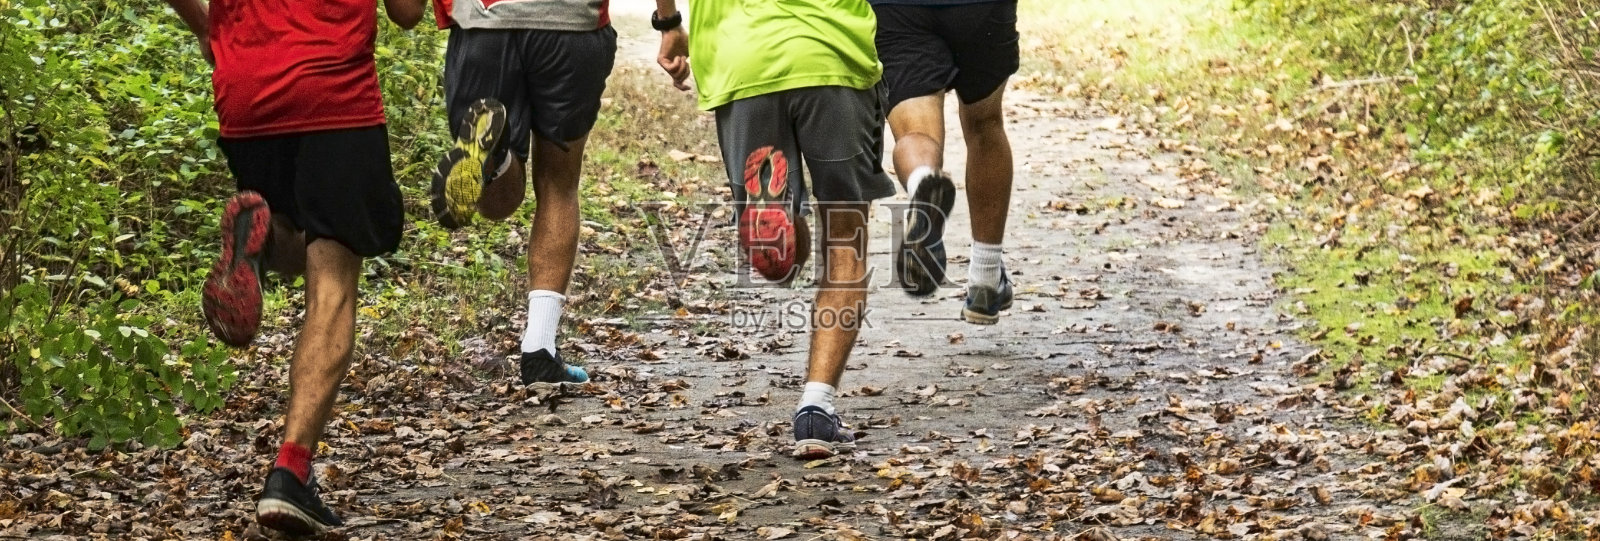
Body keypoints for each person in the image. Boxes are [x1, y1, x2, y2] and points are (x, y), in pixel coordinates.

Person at [162, 0, 424, 534]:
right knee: (333, 284)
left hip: (246, 93)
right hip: (336, 95)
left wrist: (208, 31)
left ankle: (260, 246)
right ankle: (291, 472)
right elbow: (407, 12)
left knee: (288, 230)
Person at [654, 0, 896, 459]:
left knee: (782, 261)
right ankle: (816, 408)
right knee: (846, 237)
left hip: (742, 59)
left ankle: (779, 215)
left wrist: (668, 23)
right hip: (832, 53)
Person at [426, 0, 616, 386]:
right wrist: (668, 21)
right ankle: (540, 348)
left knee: (497, 203)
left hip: (483, 20)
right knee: (559, 185)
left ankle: (494, 160)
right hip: (570, 24)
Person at [869, 0, 1019, 324]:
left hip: (897, 10)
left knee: (916, 131)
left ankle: (923, 183)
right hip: (980, 8)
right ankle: (986, 279)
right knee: (985, 124)